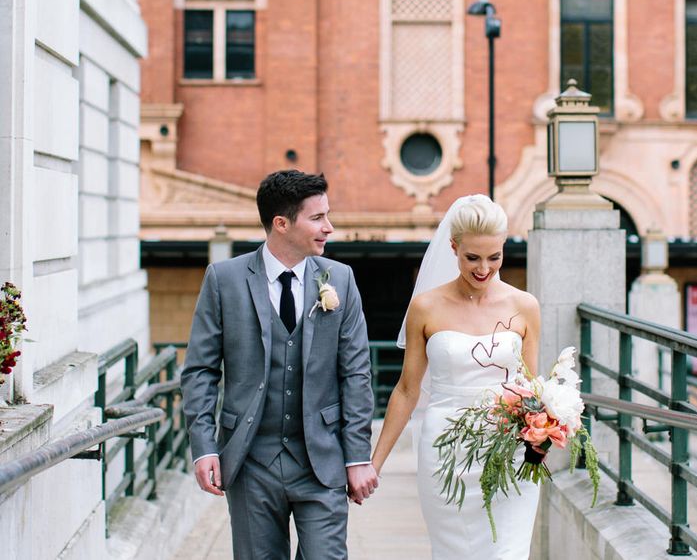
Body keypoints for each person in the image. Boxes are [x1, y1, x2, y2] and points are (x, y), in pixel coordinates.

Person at [181, 170, 378, 560]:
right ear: (282, 223)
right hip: (251, 462)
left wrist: (357, 457)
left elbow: (356, 373)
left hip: (322, 462)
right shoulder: (224, 279)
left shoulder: (340, 279)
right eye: (318, 218)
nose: (329, 227)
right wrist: (204, 448)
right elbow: (200, 370)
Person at [371, 195, 541, 559]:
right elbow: (406, 390)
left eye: (494, 257)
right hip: (446, 451)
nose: (484, 268)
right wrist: (375, 464)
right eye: (472, 258)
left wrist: (542, 436)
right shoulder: (425, 307)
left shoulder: (524, 306)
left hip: (508, 451)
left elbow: (532, 388)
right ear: (453, 247)